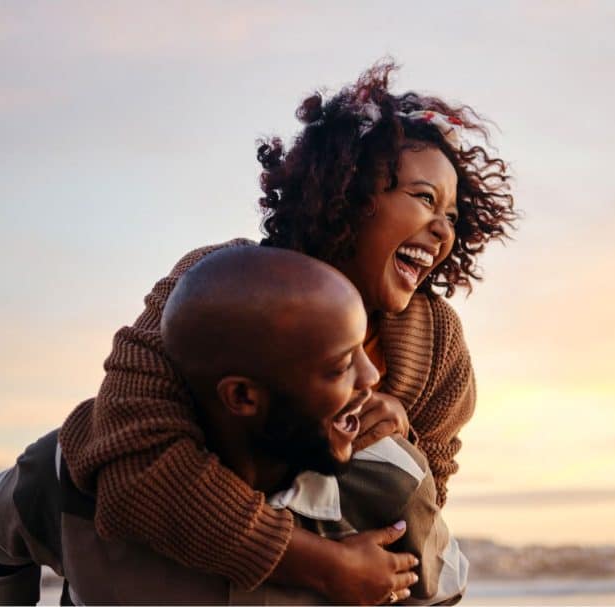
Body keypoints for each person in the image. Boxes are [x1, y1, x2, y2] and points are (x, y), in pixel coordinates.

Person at [57, 59, 515, 605]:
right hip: (163, 570)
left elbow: (422, 509)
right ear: (349, 192)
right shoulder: (217, 286)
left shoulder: (437, 341)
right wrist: (321, 566)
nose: (442, 230)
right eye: (423, 198)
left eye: (453, 215)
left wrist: (403, 442)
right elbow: (134, 464)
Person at [0, 247, 468, 605]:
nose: (374, 377)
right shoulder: (70, 472)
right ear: (242, 396)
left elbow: (441, 592)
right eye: (341, 366)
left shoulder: (389, 482)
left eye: (366, 347)